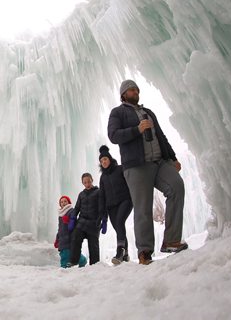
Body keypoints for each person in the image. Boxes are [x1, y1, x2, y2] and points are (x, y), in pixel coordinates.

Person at [107, 79, 188, 265]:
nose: (135, 91)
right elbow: (113, 135)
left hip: (159, 161)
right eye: (131, 90)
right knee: (143, 207)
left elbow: (161, 136)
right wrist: (137, 129)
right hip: (136, 165)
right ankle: (144, 252)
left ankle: (172, 240)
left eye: (136, 89)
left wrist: (173, 158)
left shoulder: (148, 112)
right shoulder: (118, 112)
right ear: (123, 94)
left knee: (176, 187)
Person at [98, 145, 133, 265]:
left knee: (119, 222)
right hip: (111, 206)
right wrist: (103, 215)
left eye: (105, 159)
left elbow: (130, 181)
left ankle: (120, 251)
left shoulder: (120, 169)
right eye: (102, 161)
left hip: (125, 200)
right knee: (119, 227)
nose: (104, 162)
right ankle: (126, 253)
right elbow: (102, 196)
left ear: (110, 159)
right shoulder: (102, 177)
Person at [69, 173, 102, 266]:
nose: (87, 184)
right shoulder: (81, 194)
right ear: (82, 183)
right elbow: (77, 208)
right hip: (82, 223)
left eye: (89, 181)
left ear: (92, 180)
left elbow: (102, 207)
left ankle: (95, 265)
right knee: (75, 238)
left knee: (93, 245)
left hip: (94, 223)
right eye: (85, 182)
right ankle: (73, 261)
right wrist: (72, 218)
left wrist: (103, 219)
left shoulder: (98, 192)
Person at [54, 195, 87, 268]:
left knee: (66, 255)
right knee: (66, 253)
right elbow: (60, 228)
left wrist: (69, 221)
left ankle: (64, 269)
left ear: (68, 202)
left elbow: (74, 222)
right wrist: (57, 239)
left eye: (65, 201)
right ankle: (82, 260)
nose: (63, 203)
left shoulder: (71, 211)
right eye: (61, 202)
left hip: (70, 237)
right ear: (60, 204)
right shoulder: (60, 215)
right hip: (62, 239)